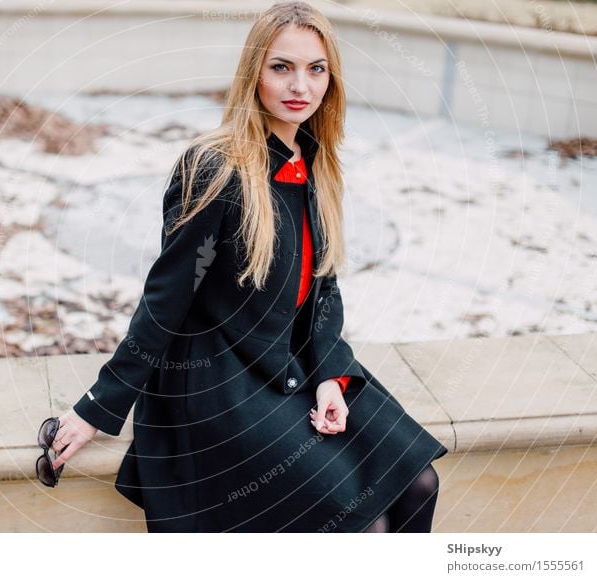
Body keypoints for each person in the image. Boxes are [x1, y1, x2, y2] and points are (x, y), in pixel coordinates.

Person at [41, 1, 448, 533]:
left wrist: (331, 377)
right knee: (359, 525)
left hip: (293, 366)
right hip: (217, 383)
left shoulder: (314, 162)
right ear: (253, 72)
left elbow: (323, 291)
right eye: (281, 66)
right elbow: (166, 298)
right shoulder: (214, 167)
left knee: (419, 484)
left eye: (315, 68)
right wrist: (98, 407)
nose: (299, 84)